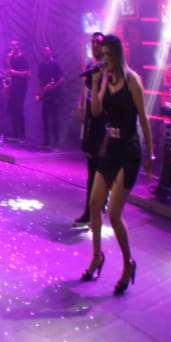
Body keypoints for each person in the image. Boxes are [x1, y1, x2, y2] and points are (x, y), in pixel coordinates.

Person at [81, 34, 153, 295]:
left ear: (117, 55)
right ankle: (97, 257)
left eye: (108, 55)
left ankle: (128, 263)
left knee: (113, 213)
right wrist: (96, 83)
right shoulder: (106, 79)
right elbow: (96, 111)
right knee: (94, 205)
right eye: (103, 56)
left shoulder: (132, 80)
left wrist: (150, 155)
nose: (104, 60)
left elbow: (143, 119)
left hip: (129, 150)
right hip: (109, 148)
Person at [74, 32, 107, 225]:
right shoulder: (90, 66)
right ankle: (91, 211)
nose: (94, 45)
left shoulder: (108, 68)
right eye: (92, 42)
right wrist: (80, 104)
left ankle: (96, 209)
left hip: (104, 123)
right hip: (91, 123)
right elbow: (86, 89)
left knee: (100, 169)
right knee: (92, 169)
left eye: (98, 42)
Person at [35, 44, 65, 148]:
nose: (45, 53)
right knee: (45, 117)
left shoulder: (56, 65)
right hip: (45, 94)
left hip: (55, 95)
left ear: (51, 52)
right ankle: (47, 139)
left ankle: (56, 140)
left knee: (54, 118)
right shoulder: (41, 66)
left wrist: (54, 87)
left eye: (47, 51)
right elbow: (39, 81)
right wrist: (39, 93)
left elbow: (62, 79)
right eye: (44, 51)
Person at [5, 40, 31, 141]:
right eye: (11, 45)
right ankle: (15, 134)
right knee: (12, 109)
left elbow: (28, 73)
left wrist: (14, 72)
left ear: (18, 47)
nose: (11, 47)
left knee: (19, 109)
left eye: (13, 45)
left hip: (21, 87)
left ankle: (22, 135)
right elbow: (9, 71)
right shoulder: (11, 58)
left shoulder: (23, 58)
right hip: (12, 86)